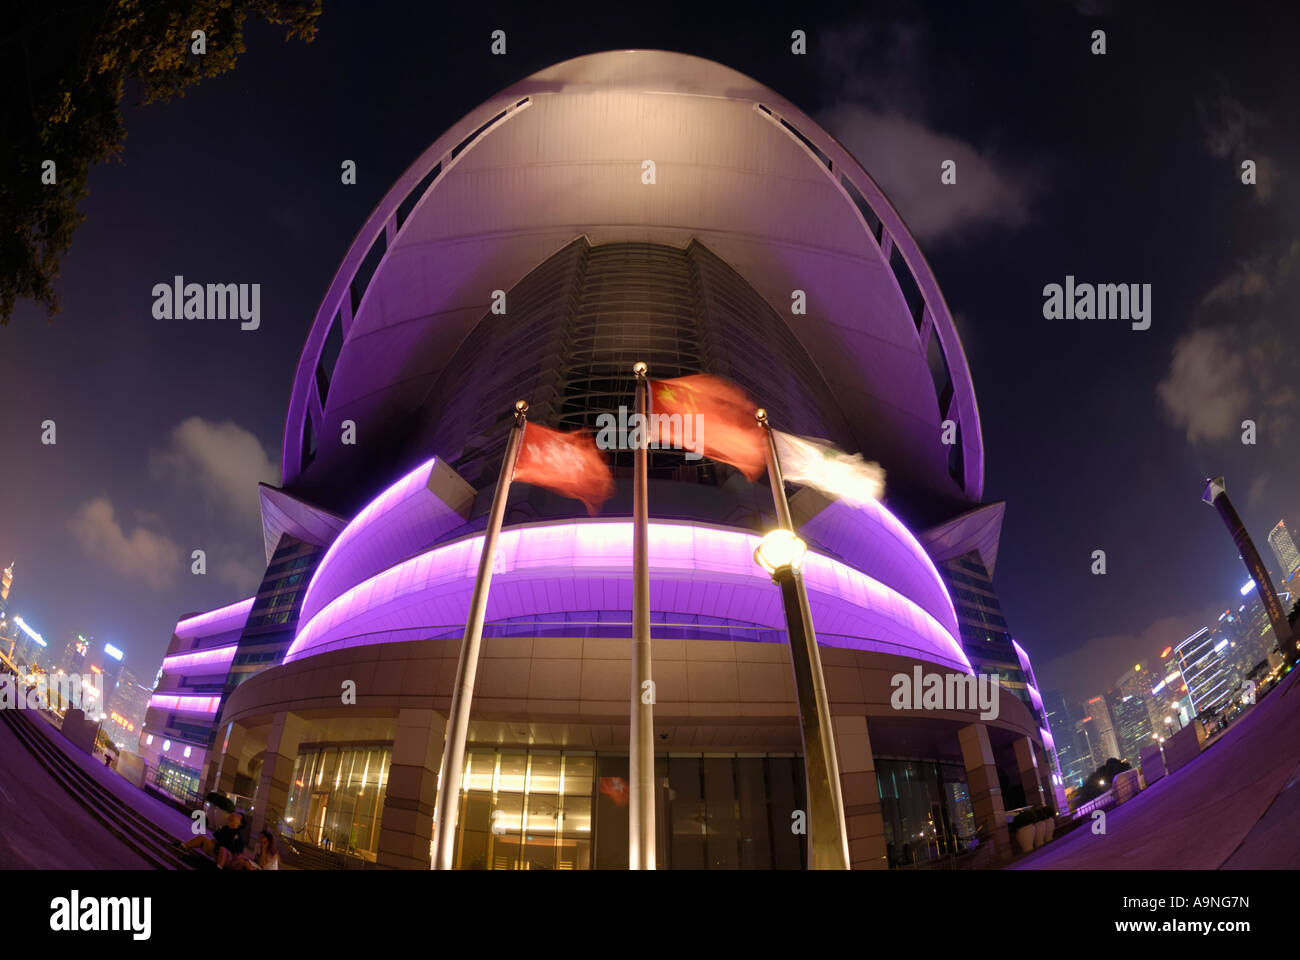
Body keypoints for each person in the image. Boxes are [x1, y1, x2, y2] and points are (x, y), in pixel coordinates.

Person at [179, 810, 248, 869]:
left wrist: (234, 862)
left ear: (240, 823)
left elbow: (239, 853)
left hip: (228, 858)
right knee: (202, 838)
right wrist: (208, 844)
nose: (234, 814)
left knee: (223, 849)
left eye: (237, 815)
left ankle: (219, 867)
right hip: (216, 851)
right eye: (234, 813)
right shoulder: (223, 828)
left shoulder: (238, 836)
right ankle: (183, 846)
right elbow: (215, 840)